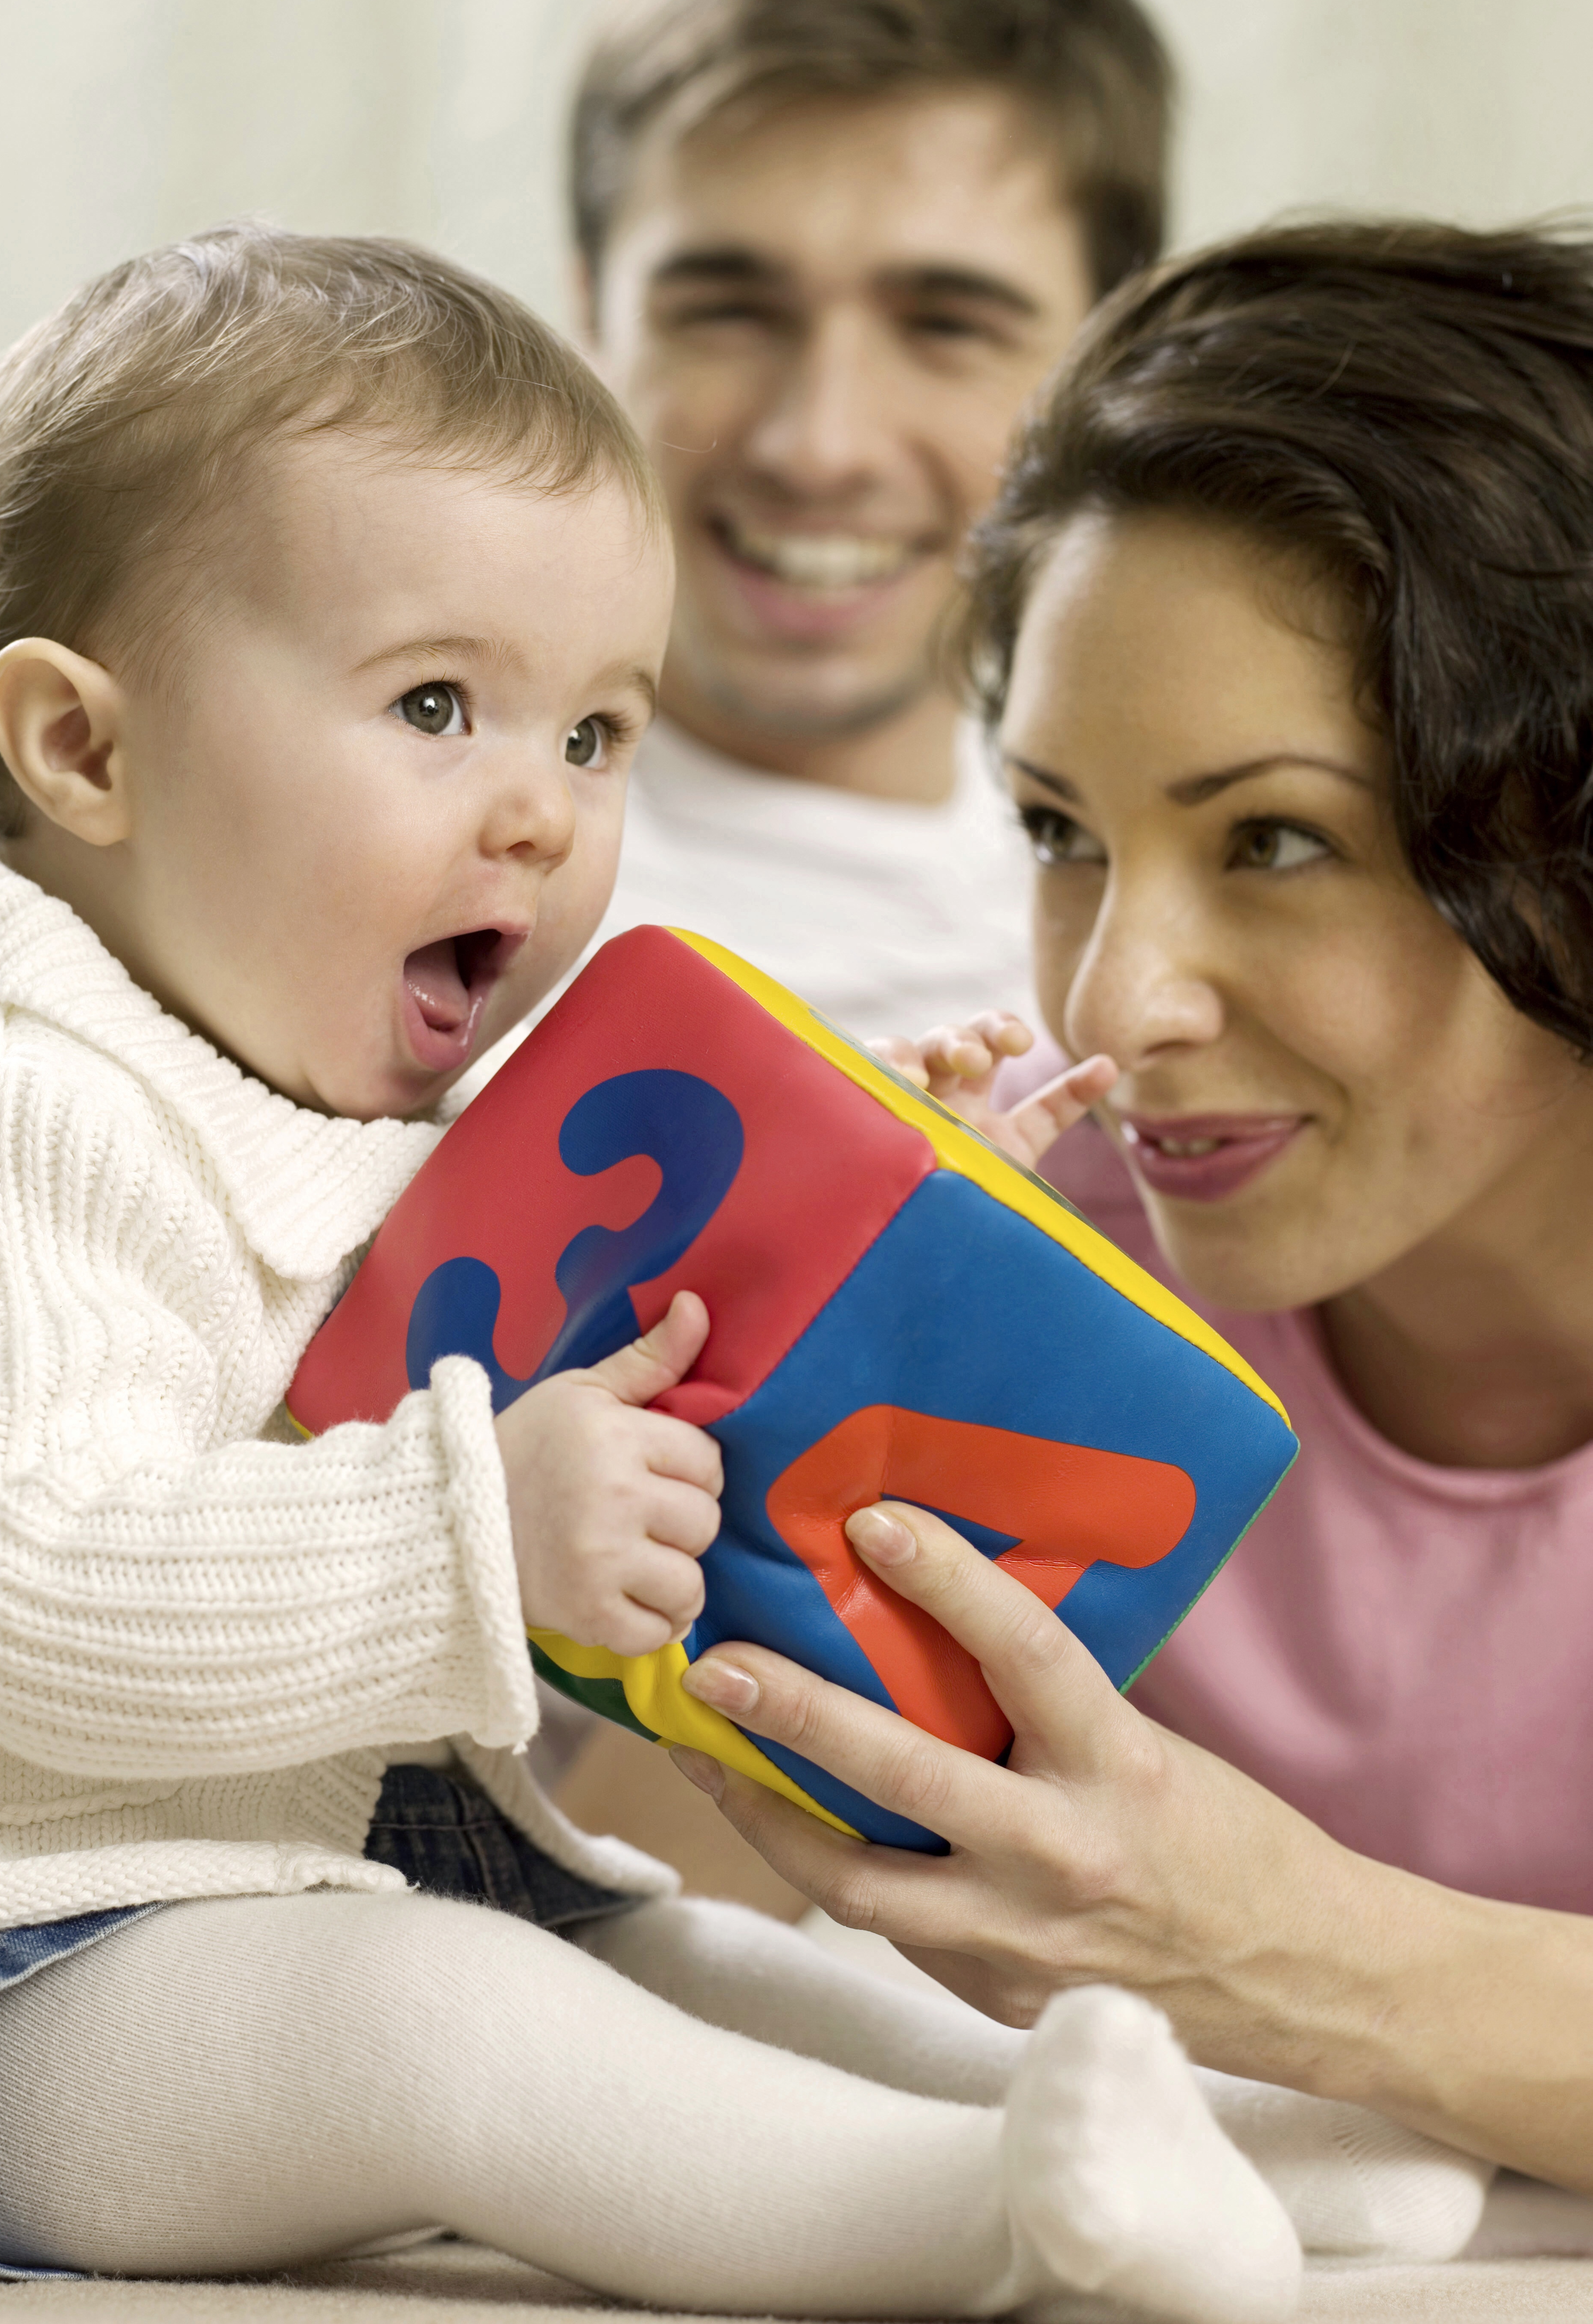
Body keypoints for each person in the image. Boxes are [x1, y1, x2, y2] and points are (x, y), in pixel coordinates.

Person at [0, 220, 1322, 2321]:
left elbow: (624, 1332)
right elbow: (39, 1587)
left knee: (685, 1954)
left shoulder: (341, 1095)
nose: (542, 813)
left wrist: (898, 1181)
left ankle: (1282, 2156)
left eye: (597, 736)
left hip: (274, 1863)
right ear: (84, 751)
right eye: (439, 706)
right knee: (423, 2024)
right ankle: (988, 2224)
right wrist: (482, 1526)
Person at [0, 0, 1173, 1723]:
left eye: (946, 321)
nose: (818, 438)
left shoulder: (1101, 949)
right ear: (588, 305)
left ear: (1105, 356)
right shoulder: (201, 605)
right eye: (723, 305)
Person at [658, 221, 1593, 2199]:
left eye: (1275, 839)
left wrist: (1295, 1957)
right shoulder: (1006, 1244)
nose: (1116, 1002)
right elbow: (602, 1900)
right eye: (1063, 833)